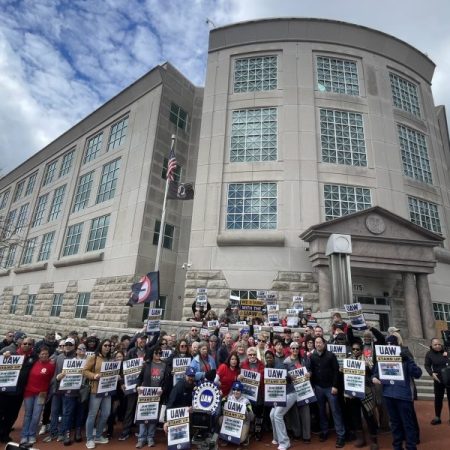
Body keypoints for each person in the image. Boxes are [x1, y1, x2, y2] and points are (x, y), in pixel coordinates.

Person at [372, 335, 422, 450]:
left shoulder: (405, 356)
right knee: (395, 424)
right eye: (387, 344)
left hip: (403, 396)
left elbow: (417, 373)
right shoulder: (382, 357)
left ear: (396, 345)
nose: (389, 346)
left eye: (392, 344)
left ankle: (411, 447)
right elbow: (375, 372)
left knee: (407, 424)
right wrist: (374, 377)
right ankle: (397, 446)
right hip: (388, 395)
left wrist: (408, 360)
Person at [309, 336, 345, 448]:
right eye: (316, 342)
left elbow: (336, 372)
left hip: (330, 387)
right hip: (318, 388)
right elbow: (312, 371)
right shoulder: (312, 356)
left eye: (320, 342)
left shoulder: (331, 355)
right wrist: (313, 385)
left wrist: (335, 386)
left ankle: (341, 435)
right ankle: (324, 431)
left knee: (335, 411)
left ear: (324, 344)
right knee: (321, 411)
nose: (318, 344)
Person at [0, 336, 36, 443]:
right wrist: (3, 355)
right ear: (20, 344)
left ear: (32, 346)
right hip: (4, 391)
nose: (27, 345)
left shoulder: (34, 357)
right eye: (25, 343)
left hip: (18, 392)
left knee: (12, 415)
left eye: (29, 344)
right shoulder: (11, 354)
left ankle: (4, 434)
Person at [136, 346, 171, 448]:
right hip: (145, 394)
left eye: (160, 353)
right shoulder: (146, 364)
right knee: (143, 415)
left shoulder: (165, 365)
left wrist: (162, 390)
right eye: (156, 353)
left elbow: (167, 382)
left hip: (157, 395)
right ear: (152, 353)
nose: (158, 355)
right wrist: (138, 386)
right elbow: (139, 378)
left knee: (153, 417)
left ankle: (150, 437)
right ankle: (141, 438)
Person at [345, 341, 379, 450]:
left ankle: (373, 440)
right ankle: (360, 438)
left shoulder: (367, 359)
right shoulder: (348, 360)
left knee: (369, 415)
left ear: (361, 350)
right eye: (353, 349)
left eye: (357, 349)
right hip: (353, 393)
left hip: (365, 391)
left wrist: (367, 367)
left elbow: (373, 371)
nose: (355, 351)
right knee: (355, 416)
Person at [20, 346, 55, 446]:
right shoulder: (33, 362)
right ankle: (24, 435)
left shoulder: (52, 365)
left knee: (36, 416)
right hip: (29, 392)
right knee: (28, 415)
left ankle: (31, 434)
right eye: (42, 354)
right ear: (38, 355)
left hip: (42, 394)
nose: (44, 355)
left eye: (46, 354)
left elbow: (52, 381)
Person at [83, 338, 114, 449]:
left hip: (107, 390)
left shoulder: (111, 358)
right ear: (101, 346)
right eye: (105, 345)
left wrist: (116, 376)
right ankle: (90, 438)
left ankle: (99, 435)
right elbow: (85, 371)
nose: (107, 347)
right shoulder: (94, 357)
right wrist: (94, 376)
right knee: (92, 414)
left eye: (109, 346)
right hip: (95, 390)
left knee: (106, 413)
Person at [239, 347, 265, 440]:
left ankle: (258, 431)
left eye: (254, 354)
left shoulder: (261, 364)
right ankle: (249, 430)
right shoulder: (243, 364)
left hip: (259, 394)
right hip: (247, 394)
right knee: (249, 412)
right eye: (250, 354)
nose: (252, 356)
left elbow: (263, 377)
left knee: (258, 413)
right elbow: (239, 377)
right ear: (247, 355)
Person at [424, 337, 450, 425]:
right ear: (431, 345)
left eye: (439, 344)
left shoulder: (447, 350)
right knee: (438, 399)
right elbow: (427, 365)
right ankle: (437, 417)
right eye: (435, 345)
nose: (438, 346)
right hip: (438, 379)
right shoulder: (429, 354)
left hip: (449, 378)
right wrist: (431, 373)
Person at [220, 381, 254, 446]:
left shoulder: (246, 401)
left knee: (241, 440)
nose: (235, 391)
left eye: (238, 390)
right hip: (231, 422)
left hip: (243, 422)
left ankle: (247, 436)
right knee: (220, 419)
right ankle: (226, 437)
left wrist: (249, 410)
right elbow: (223, 412)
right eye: (234, 389)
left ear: (241, 391)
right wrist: (222, 403)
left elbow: (251, 418)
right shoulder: (228, 398)